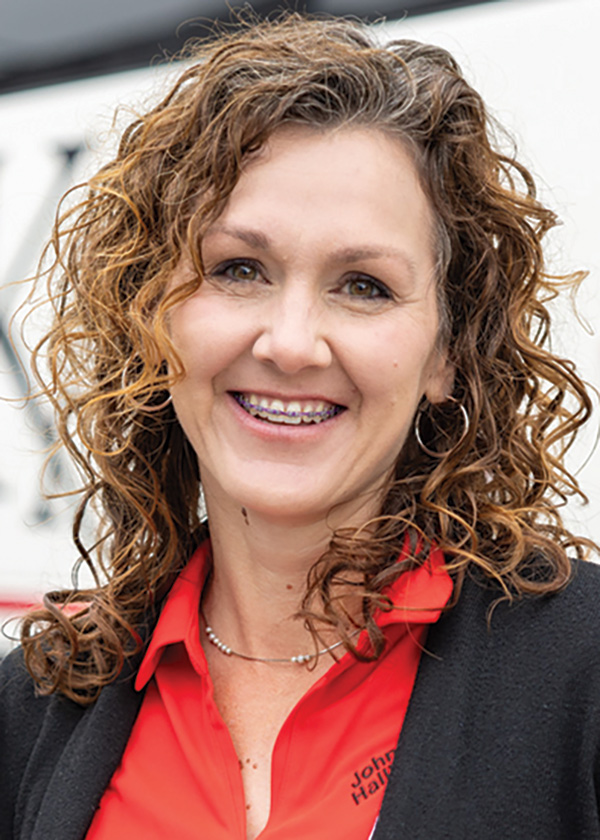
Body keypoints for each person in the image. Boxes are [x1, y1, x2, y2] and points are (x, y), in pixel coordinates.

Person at [1, 12, 599, 840]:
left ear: (445, 354)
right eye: (238, 270)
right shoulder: (36, 704)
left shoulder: (585, 671)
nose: (289, 343)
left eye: (363, 286)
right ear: (153, 315)